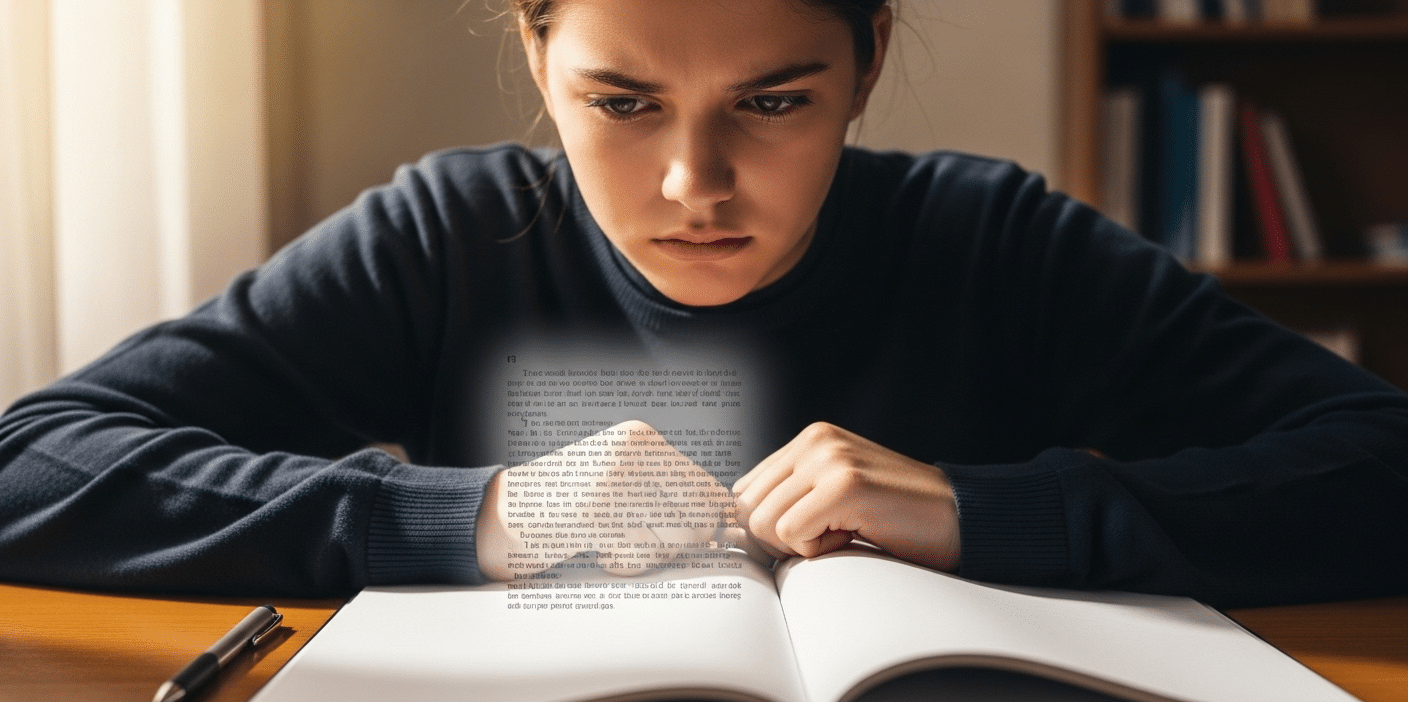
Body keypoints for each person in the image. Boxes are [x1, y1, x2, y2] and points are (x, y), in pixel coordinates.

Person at [2, 0, 1406, 607]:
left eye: (774, 102)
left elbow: (1385, 464)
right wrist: (480, 517)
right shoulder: (447, 237)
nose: (694, 184)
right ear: (537, 58)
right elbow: (30, 465)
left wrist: (992, 512)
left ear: (866, 65)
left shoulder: (995, 244)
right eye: (620, 103)